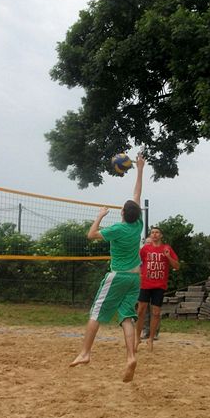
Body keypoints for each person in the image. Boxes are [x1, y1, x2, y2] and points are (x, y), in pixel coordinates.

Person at [70, 153, 145, 382]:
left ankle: (85, 352)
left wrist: (100, 216)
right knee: (126, 318)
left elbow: (91, 235)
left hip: (118, 277)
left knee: (96, 313)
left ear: (122, 213)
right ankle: (131, 356)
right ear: (136, 215)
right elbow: (137, 195)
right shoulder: (137, 225)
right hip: (135, 278)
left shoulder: (118, 230)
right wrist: (140, 169)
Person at [135, 227, 179, 351]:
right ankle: (137, 338)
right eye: (152, 232)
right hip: (145, 284)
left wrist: (168, 257)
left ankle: (151, 339)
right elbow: (137, 262)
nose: (154, 234)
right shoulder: (145, 249)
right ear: (150, 235)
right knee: (140, 311)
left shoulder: (167, 248)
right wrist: (138, 274)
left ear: (161, 235)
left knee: (155, 312)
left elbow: (177, 266)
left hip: (159, 285)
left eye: (157, 232)